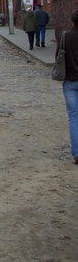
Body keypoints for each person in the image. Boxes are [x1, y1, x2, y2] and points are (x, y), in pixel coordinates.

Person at [59, 9, 78, 164]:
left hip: (70, 81)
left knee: (74, 117)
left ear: (72, 21)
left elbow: (58, 58)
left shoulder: (66, 37)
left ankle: (77, 154)